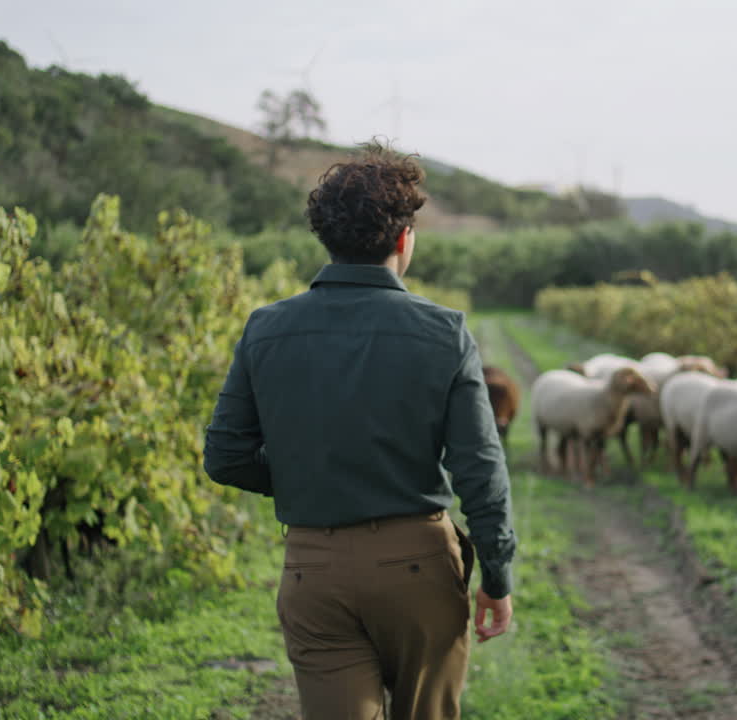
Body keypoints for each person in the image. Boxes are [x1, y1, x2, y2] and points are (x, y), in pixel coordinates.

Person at [203, 140, 516, 720]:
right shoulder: (444, 332)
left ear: (327, 240)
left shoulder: (265, 328)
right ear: (403, 240)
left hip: (313, 568)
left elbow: (225, 455)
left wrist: (305, 475)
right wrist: (496, 576)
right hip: (418, 566)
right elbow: (479, 471)